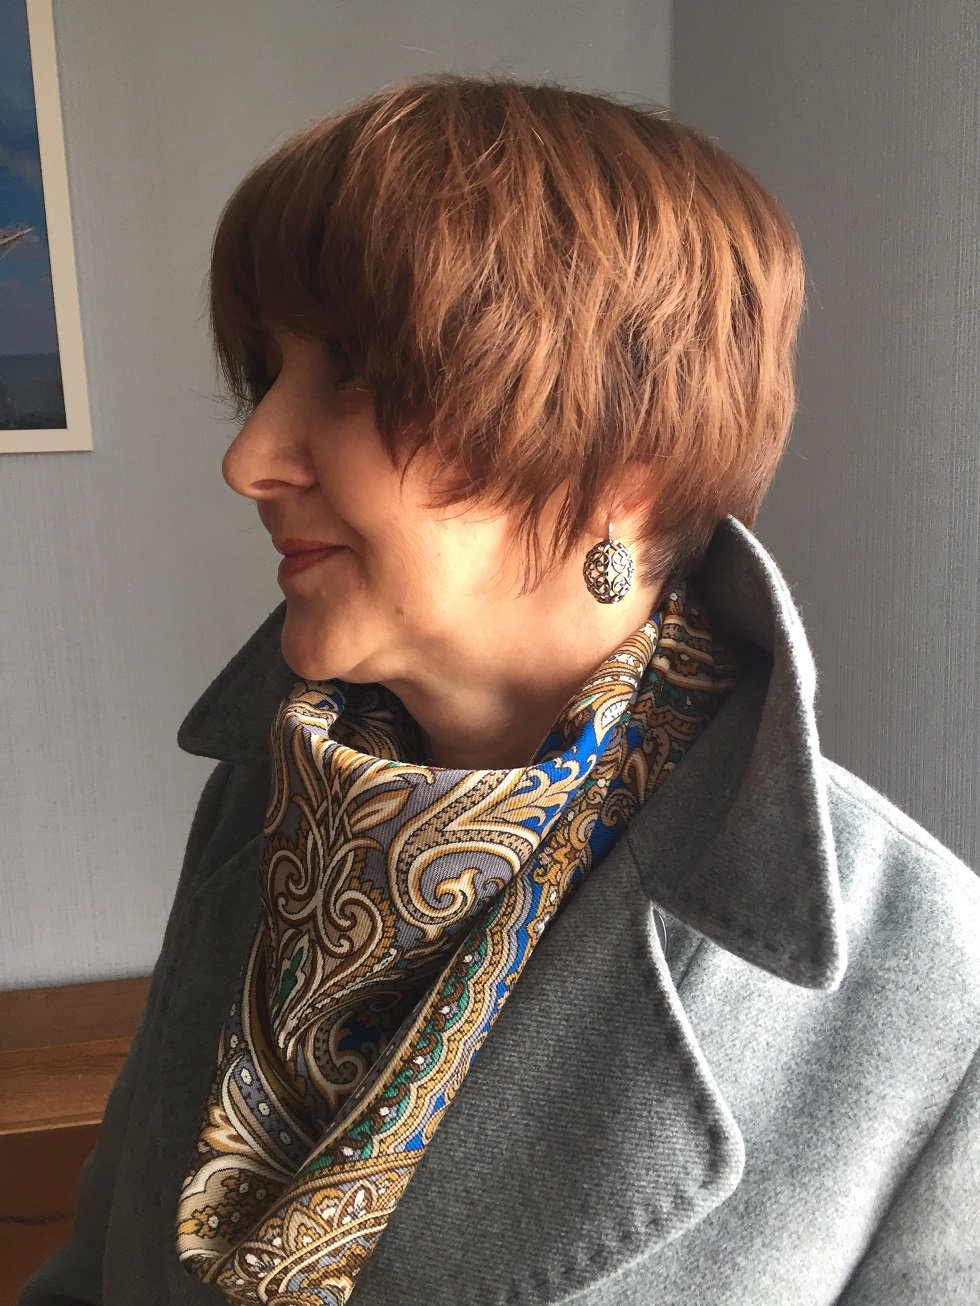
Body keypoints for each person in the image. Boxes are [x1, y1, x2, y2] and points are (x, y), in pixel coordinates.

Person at [20, 74, 979, 1306]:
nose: (248, 456)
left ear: (625, 456)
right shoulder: (269, 805)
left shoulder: (931, 991)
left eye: (354, 373)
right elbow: (99, 1265)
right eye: (263, 375)